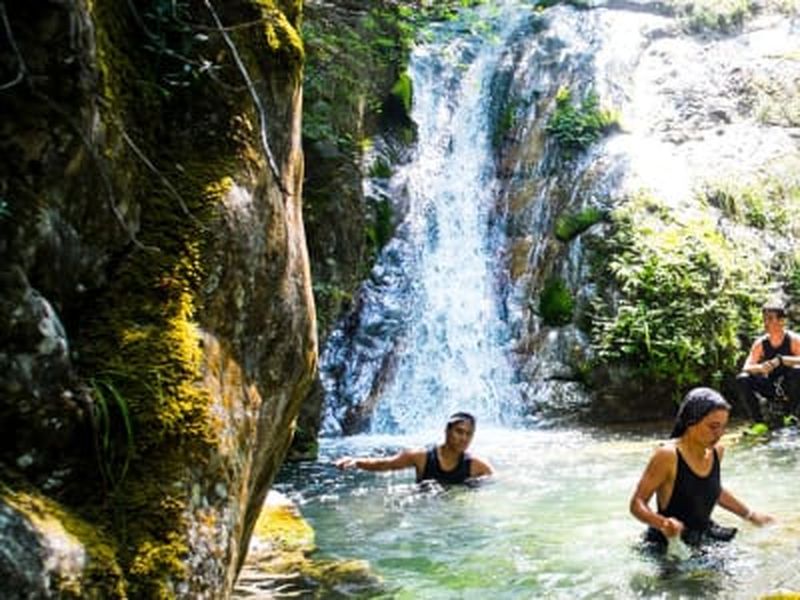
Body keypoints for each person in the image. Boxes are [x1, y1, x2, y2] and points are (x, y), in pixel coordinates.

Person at [629, 387, 773, 551]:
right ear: (691, 422)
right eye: (713, 426)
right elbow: (637, 503)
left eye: (723, 426)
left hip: (704, 534)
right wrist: (662, 524)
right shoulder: (668, 455)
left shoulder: (716, 451)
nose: (719, 434)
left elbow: (710, 489)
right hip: (667, 543)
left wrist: (750, 515)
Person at [334, 412, 493, 484]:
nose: (464, 438)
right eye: (459, 432)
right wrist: (356, 462)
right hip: (423, 513)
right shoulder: (421, 456)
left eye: (469, 434)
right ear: (446, 430)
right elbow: (386, 464)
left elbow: (493, 482)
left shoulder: (476, 465)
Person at [736, 298, 800, 426]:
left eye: (770, 318)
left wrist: (782, 360)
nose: (766, 322)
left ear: (782, 321)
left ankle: (791, 414)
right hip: (771, 385)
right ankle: (758, 422)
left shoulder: (793, 339)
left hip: (791, 385)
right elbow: (747, 367)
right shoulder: (760, 343)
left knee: (797, 370)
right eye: (765, 319)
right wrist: (760, 367)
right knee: (742, 378)